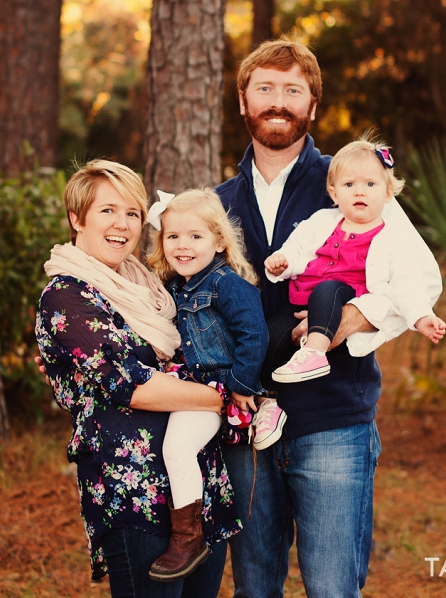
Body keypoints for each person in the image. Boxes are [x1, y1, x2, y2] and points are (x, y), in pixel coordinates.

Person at [213, 39, 444, 597]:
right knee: (254, 588)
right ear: (243, 101)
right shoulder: (217, 203)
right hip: (245, 424)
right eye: (265, 88)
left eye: (293, 90)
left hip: (334, 417)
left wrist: (343, 325)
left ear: (312, 105)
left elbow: (414, 278)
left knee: (333, 589)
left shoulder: (355, 184)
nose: (278, 101)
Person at [34, 159, 240, 597]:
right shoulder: (68, 294)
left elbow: (204, 347)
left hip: (198, 483)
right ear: (77, 218)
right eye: (107, 210)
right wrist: (226, 396)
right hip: (134, 488)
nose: (122, 224)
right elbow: (135, 387)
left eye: (132, 213)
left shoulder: (152, 286)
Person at [143, 187, 267, 577]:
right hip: (189, 385)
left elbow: (254, 334)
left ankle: (188, 537)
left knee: (177, 448)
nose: (183, 246)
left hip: (216, 390)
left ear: (218, 241)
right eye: (173, 236)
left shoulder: (225, 284)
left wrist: (241, 385)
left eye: (195, 237)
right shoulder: (175, 287)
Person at [263, 135, 446, 389]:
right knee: (269, 337)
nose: (360, 191)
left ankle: (314, 353)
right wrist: (284, 261)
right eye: (349, 185)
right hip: (300, 299)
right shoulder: (322, 220)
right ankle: (267, 399)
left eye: (370, 184)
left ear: (388, 192)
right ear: (334, 193)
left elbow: (408, 282)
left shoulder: (392, 236)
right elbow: (297, 245)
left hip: (341, 295)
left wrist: (421, 316)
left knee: (327, 289)